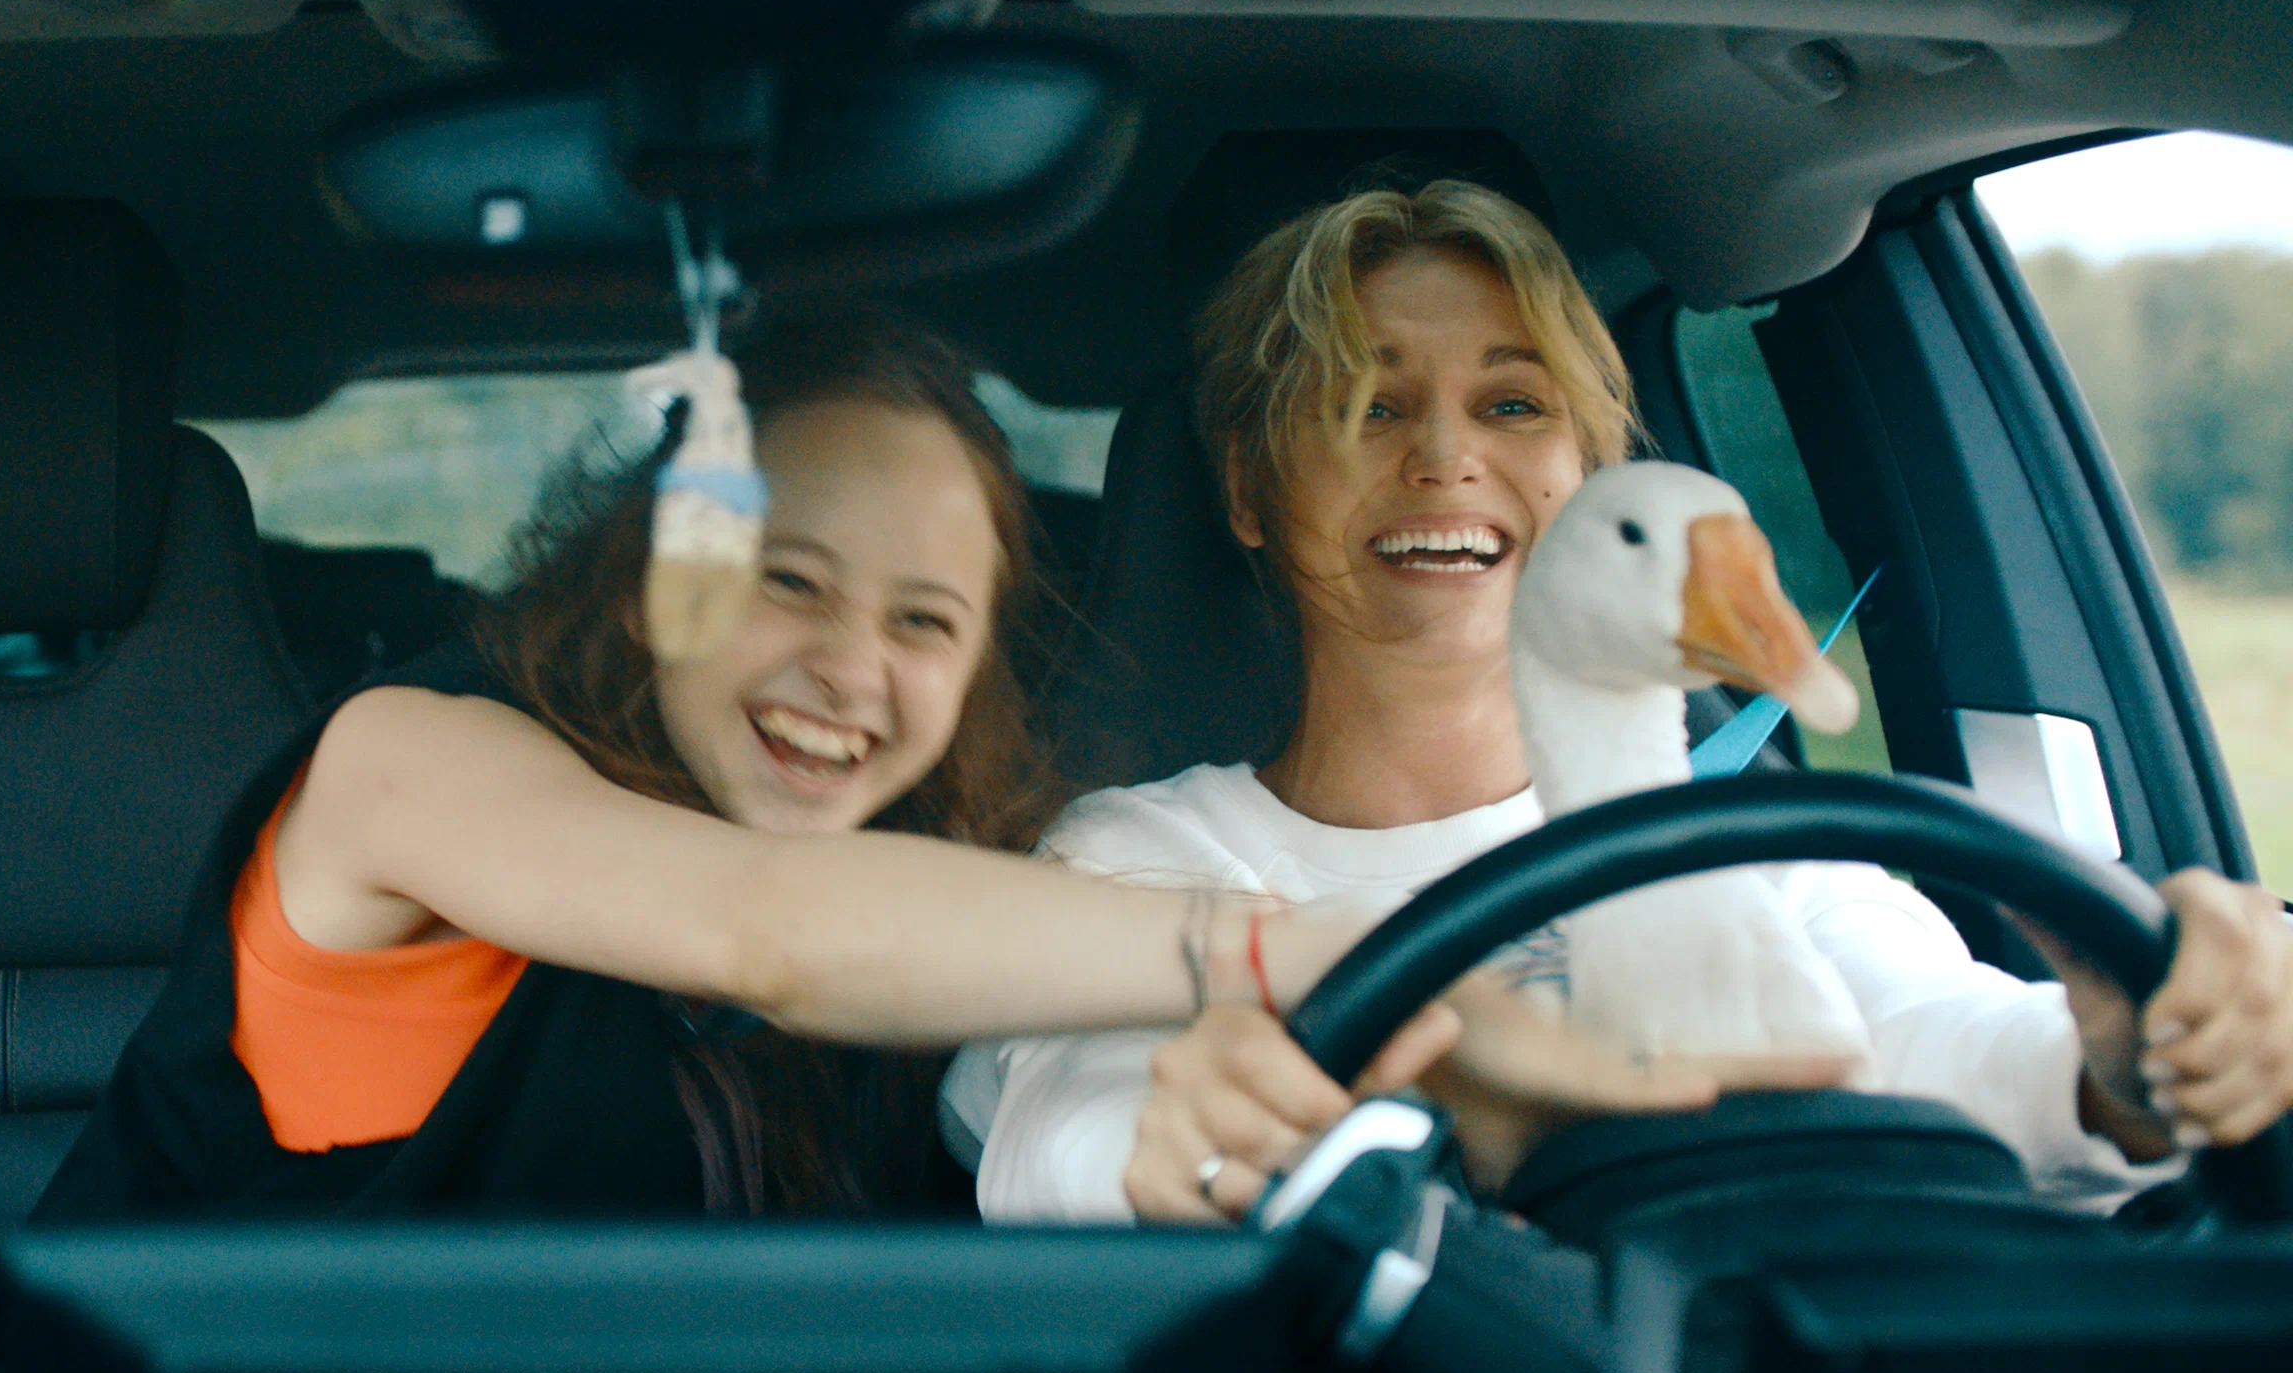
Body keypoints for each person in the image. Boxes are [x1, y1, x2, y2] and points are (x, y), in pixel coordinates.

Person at [0, 302, 1729, 1373]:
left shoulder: (949, 948)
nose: (854, 671)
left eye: (926, 623)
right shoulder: (406, 770)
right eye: (787, 580)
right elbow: (767, 937)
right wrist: (1344, 949)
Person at [950, 180, 2293, 1225]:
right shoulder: (1143, 858)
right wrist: (1229, 1137)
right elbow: (1073, 1144)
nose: (1446, 457)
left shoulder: (1750, 842)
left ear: (1587, 475)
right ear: (1248, 490)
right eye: (1367, 405)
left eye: (1512, 405)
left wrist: (2124, 1061)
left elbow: (1932, 1036)